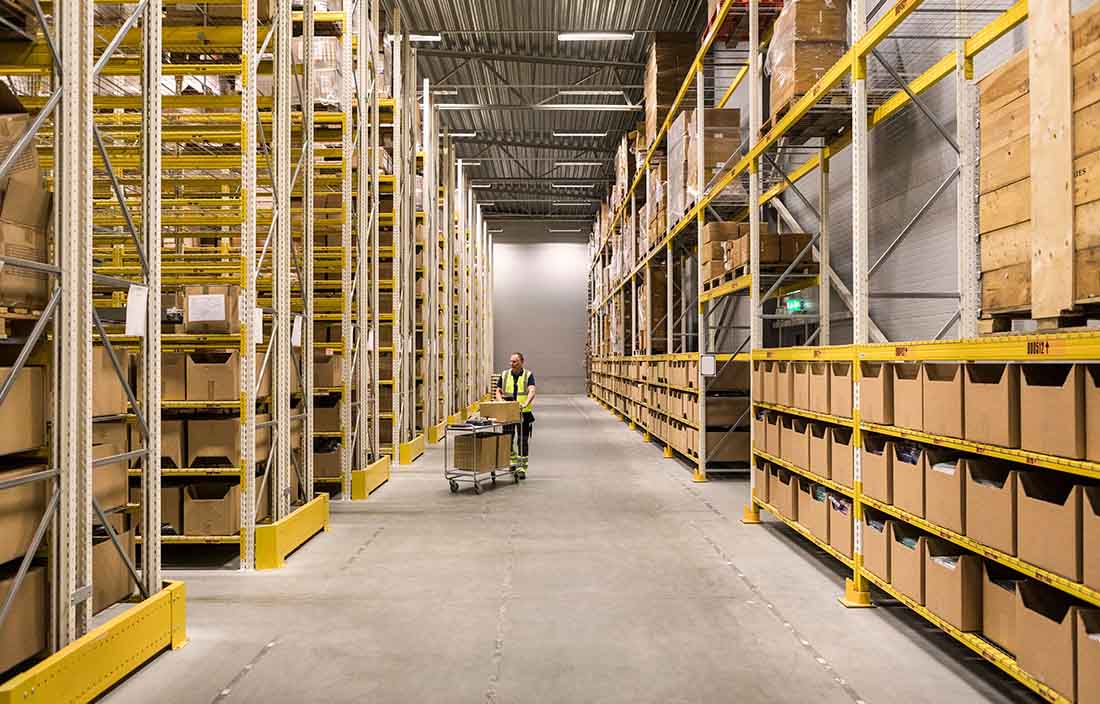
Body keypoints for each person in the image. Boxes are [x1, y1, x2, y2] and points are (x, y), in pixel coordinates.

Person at [496, 352, 536, 478]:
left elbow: (532, 390)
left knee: (522, 440)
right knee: (507, 438)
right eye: (511, 361)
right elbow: (498, 390)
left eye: (515, 362)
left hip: (523, 413)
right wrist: (500, 401)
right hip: (508, 412)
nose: (512, 364)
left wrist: (526, 403)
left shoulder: (528, 375)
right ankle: (512, 461)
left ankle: (522, 467)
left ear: (521, 362)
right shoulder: (505, 374)